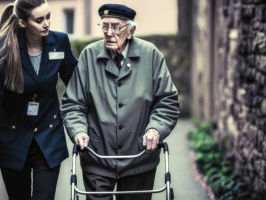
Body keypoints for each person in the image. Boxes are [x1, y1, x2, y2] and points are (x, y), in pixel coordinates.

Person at [60, 3, 180, 200]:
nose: (108, 32)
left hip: (139, 158)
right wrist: (79, 130)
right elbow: (73, 104)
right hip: (98, 157)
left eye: (115, 26)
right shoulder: (89, 56)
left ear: (131, 30)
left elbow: (167, 101)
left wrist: (155, 129)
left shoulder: (151, 55)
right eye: (104, 26)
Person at [0, 0, 77, 199]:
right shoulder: (3, 49)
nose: (46, 23)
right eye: (39, 20)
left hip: (48, 139)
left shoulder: (60, 42)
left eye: (48, 16)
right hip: (13, 141)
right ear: (23, 23)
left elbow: (78, 85)